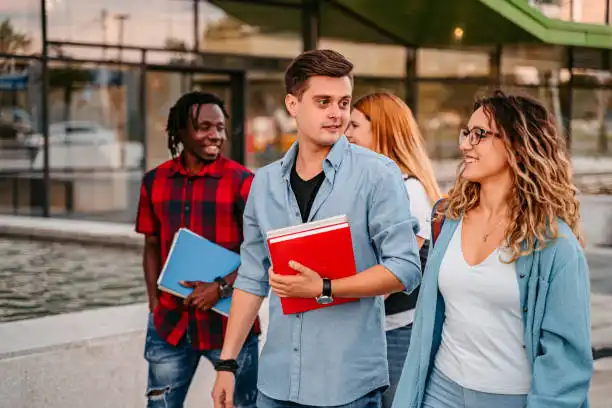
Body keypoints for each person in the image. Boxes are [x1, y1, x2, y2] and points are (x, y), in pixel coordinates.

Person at [211, 49, 422, 408]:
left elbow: (405, 268)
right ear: (292, 104)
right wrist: (227, 363)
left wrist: (325, 287)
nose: (336, 113)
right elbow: (250, 278)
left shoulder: (378, 174)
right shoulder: (263, 184)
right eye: (323, 101)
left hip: (347, 385)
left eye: (343, 102)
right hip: (276, 383)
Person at [392, 90, 593, 408]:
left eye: (479, 135)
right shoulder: (450, 218)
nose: (464, 145)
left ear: (517, 144)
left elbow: (565, 360)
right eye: (466, 133)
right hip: (438, 390)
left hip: (509, 399)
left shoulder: (556, 245)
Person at [135, 91, 260, 408]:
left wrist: (220, 287)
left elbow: (262, 254)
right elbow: (150, 245)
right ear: (179, 131)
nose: (215, 135)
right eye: (204, 126)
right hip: (169, 326)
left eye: (219, 127)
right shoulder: (153, 182)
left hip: (230, 327)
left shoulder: (243, 182)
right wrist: (154, 302)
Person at [345, 90, 442, 408]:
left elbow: (394, 274)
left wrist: (326, 291)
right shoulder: (372, 184)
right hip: (369, 328)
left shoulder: (409, 191)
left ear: (381, 130)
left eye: (355, 126)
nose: (346, 134)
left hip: (395, 333)